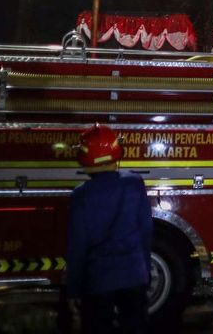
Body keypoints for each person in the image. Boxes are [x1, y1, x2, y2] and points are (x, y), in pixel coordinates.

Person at [65, 124, 152, 334]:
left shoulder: (80, 196)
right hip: (134, 277)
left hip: (98, 282)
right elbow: (146, 233)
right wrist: (145, 272)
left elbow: (76, 248)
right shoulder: (134, 183)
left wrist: (73, 290)